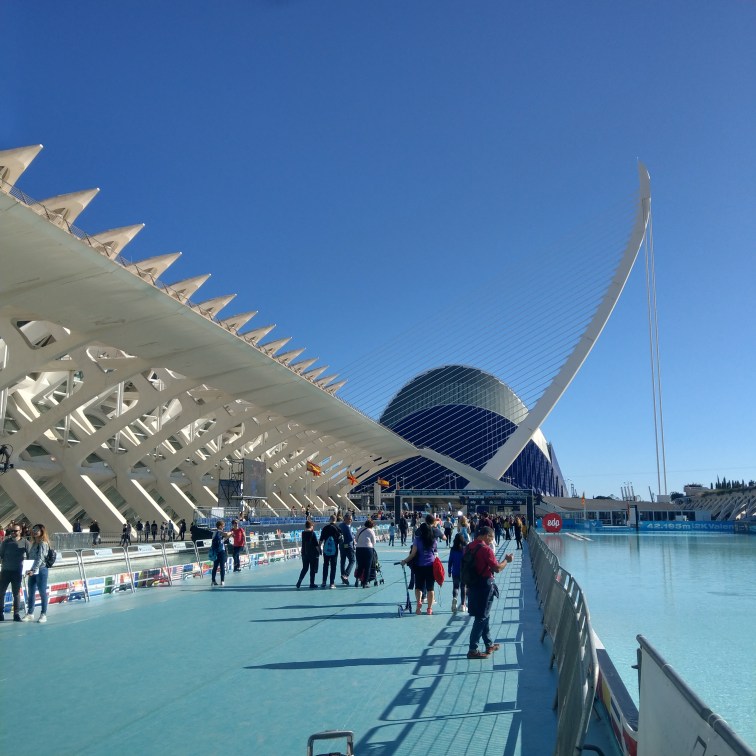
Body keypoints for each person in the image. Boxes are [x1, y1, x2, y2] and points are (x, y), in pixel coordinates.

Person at [466, 526, 513, 659]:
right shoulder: (486, 549)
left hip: (472, 585)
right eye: (491, 538)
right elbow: (497, 568)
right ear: (487, 536)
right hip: (484, 586)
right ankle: (473, 650)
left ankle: (489, 644)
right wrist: (507, 560)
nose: (491, 541)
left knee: (484, 615)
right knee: (481, 617)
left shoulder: (469, 547)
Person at [401, 515, 438, 614]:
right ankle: (429, 609)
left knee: (418, 587)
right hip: (431, 565)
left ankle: (419, 603)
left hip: (419, 566)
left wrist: (404, 561)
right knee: (430, 588)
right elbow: (435, 552)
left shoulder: (417, 540)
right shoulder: (433, 540)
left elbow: (413, 554)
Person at [0, 523, 30, 621]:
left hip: (17, 572)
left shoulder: (25, 542)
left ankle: (16, 614)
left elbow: (30, 556)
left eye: (15, 531)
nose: (13, 532)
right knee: (1, 592)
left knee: (16, 593)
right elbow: (1, 554)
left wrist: (28, 569)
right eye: (11, 531)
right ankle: (0, 613)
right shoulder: (6, 542)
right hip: (5, 571)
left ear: (20, 531)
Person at [24, 524, 51, 623]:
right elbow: (31, 557)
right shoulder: (34, 543)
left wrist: (33, 570)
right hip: (32, 570)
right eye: (34, 529)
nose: (35, 532)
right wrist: (27, 568)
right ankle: (30, 613)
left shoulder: (43, 543)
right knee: (31, 592)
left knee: (42, 592)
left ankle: (43, 614)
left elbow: (41, 558)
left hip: (41, 570)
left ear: (42, 531)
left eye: (37, 530)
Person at [318, 515, 342, 589]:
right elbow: (341, 540)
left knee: (325, 565)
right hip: (334, 550)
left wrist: (319, 548)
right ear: (335, 520)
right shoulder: (338, 528)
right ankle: (332, 583)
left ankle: (324, 582)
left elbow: (321, 539)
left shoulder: (325, 528)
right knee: (333, 566)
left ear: (330, 519)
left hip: (326, 549)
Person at [295, 520, 320, 589]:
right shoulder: (312, 533)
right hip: (312, 554)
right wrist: (319, 551)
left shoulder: (303, 533)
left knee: (305, 568)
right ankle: (312, 583)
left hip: (304, 553)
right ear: (311, 526)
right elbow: (316, 545)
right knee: (312, 569)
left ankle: (299, 581)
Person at [354, 519, 376, 588]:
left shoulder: (360, 529)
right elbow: (374, 541)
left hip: (359, 549)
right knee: (367, 567)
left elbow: (356, 539)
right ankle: (365, 583)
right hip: (368, 549)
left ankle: (358, 576)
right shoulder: (371, 531)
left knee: (360, 565)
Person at [448, 533, 467, 613]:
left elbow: (450, 561)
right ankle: (463, 605)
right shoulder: (465, 549)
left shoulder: (453, 549)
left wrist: (449, 571)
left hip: (455, 571)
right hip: (464, 571)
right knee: (463, 587)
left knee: (455, 587)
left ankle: (454, 598)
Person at [338, 512, 355, 586]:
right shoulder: (347, 527)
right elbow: (351, 538)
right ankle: (346, 575)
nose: (351, 520)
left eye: (351, 519)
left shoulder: (340, 525)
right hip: (348, 545)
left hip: (341, 545)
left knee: (343, 561)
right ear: (346, 519)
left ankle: (343, 576)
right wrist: (354, 536)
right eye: (350, 519)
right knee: (352, 560)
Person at [210, 520, 228, 587]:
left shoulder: (214, 533)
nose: (224, 527)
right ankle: (222, 581)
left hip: (215, 552)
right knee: (222, 566)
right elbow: (226, 534)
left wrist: (228, 536)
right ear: (220, 526)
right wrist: (231, 532)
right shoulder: (220, 532)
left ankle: (213, 581)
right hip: (221, 551)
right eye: (223, 526)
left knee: (215, 567)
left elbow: (222, 540)